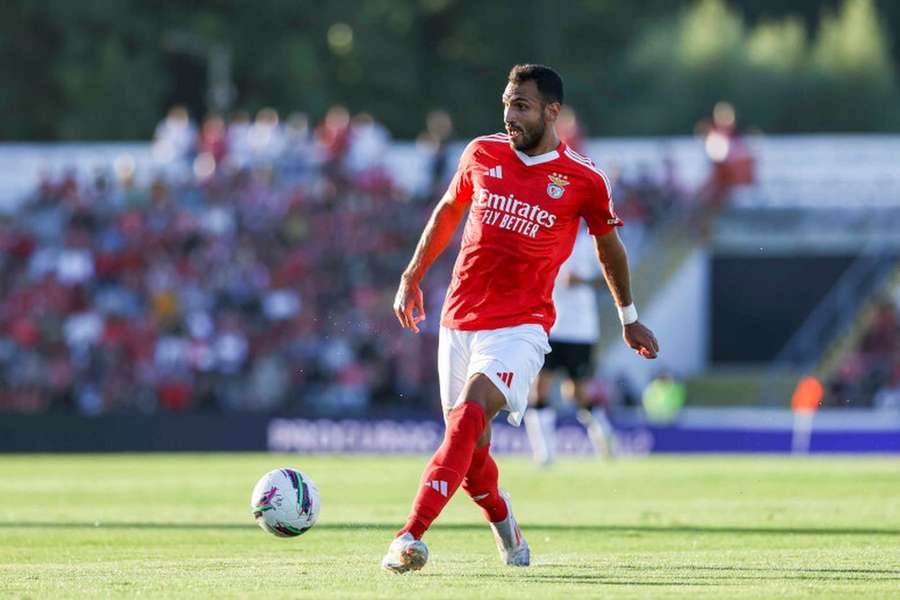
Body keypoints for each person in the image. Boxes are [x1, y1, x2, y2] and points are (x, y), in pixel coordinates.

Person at [383, 64, 659, 574]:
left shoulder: (583, 178)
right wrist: (411, 275)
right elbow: (448, 210)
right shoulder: (481, 153)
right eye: (507, 104)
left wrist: (628, 316)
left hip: (521, 328)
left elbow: (609, 247)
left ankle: (409, 535)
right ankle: (504, 519)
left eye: (522, 106)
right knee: (469, 460)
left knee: (468, 416)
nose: (510, 116)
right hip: (458, 321)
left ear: (552, 111)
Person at [524, 222, 616, 466]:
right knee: (539, 388)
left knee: (576, 392)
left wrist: (581, 280)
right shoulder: (543, 236)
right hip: (549, 326)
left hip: (581, 329)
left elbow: (608, 276)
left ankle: (604, 437)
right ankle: (544, 454)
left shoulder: (589, 241)